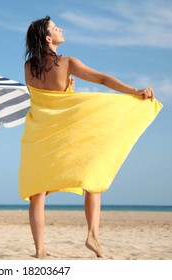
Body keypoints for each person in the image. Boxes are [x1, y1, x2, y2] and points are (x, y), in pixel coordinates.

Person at [19, 16, 162, 259]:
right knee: (93, 174)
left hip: (39, 134)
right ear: (48, 38)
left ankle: (40, 250)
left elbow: (48, 101)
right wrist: (134, 91)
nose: (60, 29)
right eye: (55, 28)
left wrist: (67, 90)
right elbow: (102, 79)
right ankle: (93, 235)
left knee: (37, 191)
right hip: (65, 131)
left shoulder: (28, 67)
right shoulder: (67, 62)